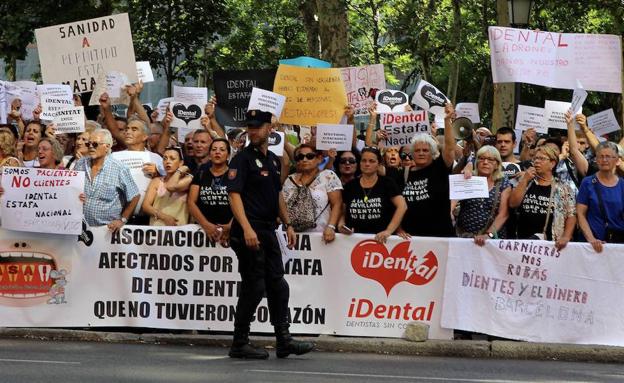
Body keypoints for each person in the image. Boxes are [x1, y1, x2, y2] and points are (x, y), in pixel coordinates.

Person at [225, 109, 313, 359]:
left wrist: (288, 224)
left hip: (268, 228)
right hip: (250, 228)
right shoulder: (241, 159)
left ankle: (283, 340)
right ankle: (239, 342)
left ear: (269, 129)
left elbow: (277, 196)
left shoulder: (273, 160)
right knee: (254, 286)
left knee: (278, 284)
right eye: (250, 127)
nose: (253, 130)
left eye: (258, 126)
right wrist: (246, 228)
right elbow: (234, 195)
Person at [394, 103, 456, 237]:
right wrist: (398, 229)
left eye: (425, 150)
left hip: (440, 236)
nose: (421, 153)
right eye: (417, 150)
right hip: (411, 238)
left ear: (432, 152)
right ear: (412, 153)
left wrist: (447, 120)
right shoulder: (404, 174)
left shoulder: (439, 167)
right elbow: (395, 205)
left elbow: (450, 148)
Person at [509, 146, 576, 250]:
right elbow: (513, 203)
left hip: (551, 245)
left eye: (542, 159)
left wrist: (566, 237)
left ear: (552, 164)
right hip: (522, 243)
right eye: (535, 158)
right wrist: (525, 179)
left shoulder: (563, 188)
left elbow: (571, 215)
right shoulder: (525, 181)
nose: (536, 162)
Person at [75, 129, 140, 230]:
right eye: (88, 144)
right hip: (80, 228)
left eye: (95, 144)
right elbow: (72, 190)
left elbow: (135, 196)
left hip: (107, 231)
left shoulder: (119, 169)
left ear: (107, 146)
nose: (91, 147)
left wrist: (123, 220)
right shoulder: (80, 164)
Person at [340, 146, 407, 242]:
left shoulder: (387, 183)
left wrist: (388, 231)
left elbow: (402, 206)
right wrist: (341, 224)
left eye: (372, 161)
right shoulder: (350, 186)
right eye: (364, 160)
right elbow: (342, 211)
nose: (367, 164)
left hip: (381, 240)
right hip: (353, 240)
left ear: (379, 164)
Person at [283, 144, 343, 243]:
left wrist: (331, 226)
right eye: (300, 157)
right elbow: (283, 206)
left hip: (321, 235)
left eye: (309, 156)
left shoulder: (328, 176)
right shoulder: (289, 180)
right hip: (292, 235)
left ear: (319, 158)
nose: (304, 159)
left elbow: (337, 203)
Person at [454, 146, 511, 245]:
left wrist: (488, 235)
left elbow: (503, 214)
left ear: (497, 164)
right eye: (481, 158)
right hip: (464, 238)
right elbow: (453, 201)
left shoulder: (502, 182)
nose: (485, 162)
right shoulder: (468, 178)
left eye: (490, 159)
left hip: (492, 241)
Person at [576, 141, 624, 252]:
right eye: (601, 156)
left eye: (608, 156)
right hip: (592, 246)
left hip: (617, 245)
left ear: (617, 160)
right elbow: (580, 214)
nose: (604, 160)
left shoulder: (622, 185)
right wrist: (591, 239)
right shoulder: (587, 183)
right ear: (596, 160)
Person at [188, 138, 233, 244]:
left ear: (228, 155)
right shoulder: (201, 173)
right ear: (209, 154)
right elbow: (191, 202)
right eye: (214, 149)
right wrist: (206, 225)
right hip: (202, 230)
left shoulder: (234, 175)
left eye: (222, 150)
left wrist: (231, 225)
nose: (217, 152)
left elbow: (243, 203)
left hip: (229, 232)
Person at [142, 146, 192, 226]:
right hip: (157, 230)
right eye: (165, 158)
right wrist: (164, 217)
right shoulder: (157, 181)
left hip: (181, 231)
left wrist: (180, 170)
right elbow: (146, 206)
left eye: (172, 159)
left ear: (181, 163)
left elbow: (171, 186)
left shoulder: (188, 180)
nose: (167, 162)